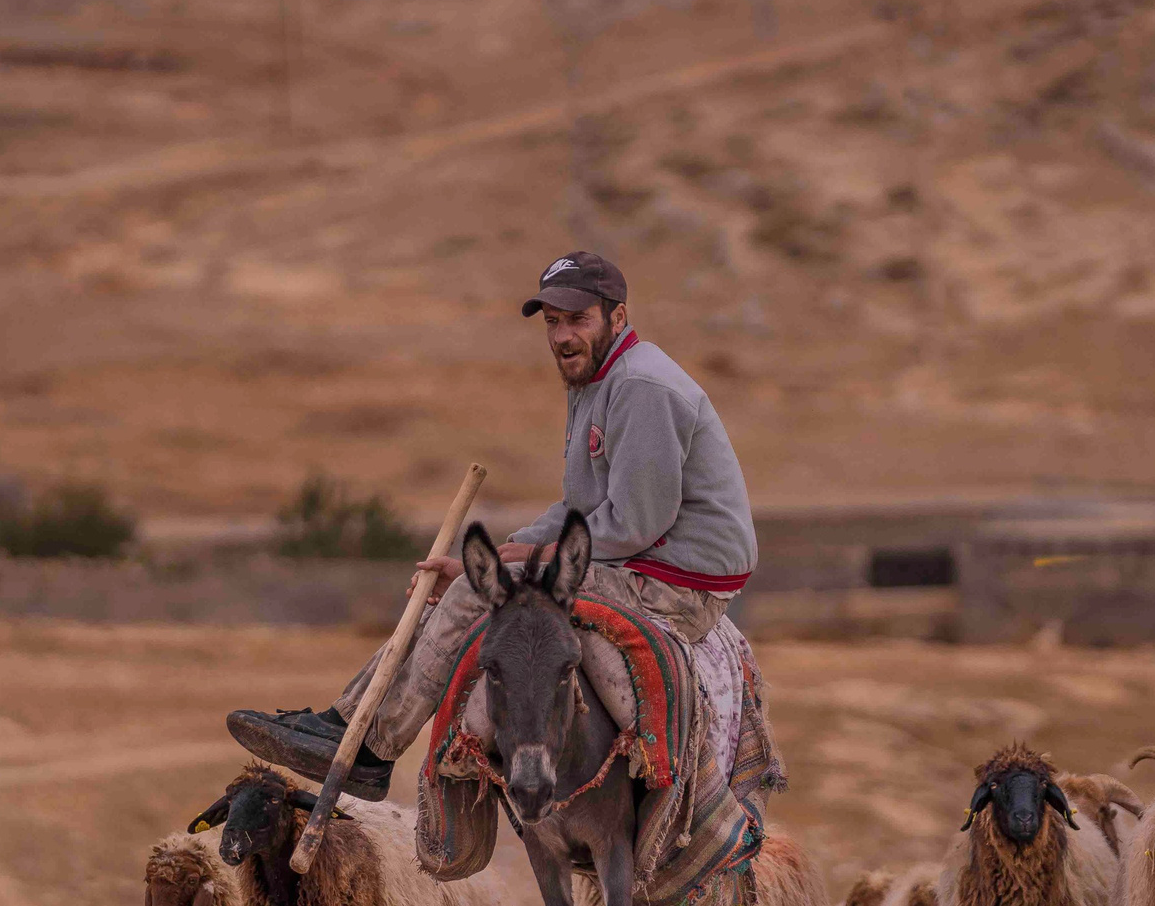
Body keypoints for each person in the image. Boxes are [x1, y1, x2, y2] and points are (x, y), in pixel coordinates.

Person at [227, 250, 757, 799]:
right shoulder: (595, 381)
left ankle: (372, 749)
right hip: (639, 560)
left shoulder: (643, 388)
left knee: (472, 598)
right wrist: (496, 556)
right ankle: (346, 719)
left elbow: (635, 525)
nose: (562, 336)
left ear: (617, 318)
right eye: (552, 323)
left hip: (676, 583)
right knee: (458, 587)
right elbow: (578, 511)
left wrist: (512, 564)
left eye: (578, 319)